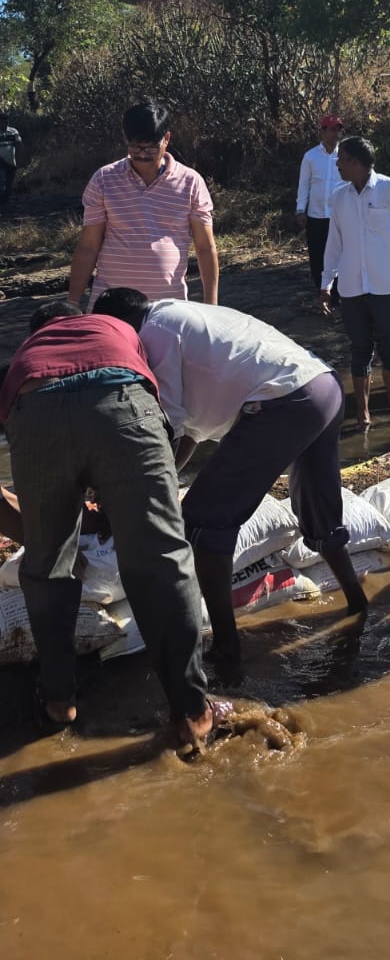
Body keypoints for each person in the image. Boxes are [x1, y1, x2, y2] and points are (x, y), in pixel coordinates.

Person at [93, 289, 367, 686]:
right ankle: (358, 604)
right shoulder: (180, 317)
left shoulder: (153, 332)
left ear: (119, 327)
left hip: (281, 401)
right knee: (319, 511)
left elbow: (167, 426)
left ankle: (226, 648)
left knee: (203, 523)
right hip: (321, 388)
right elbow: (188, 432)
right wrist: (159, 479)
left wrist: (128, 495)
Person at [0, 308, 225, 744]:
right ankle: (192, 712)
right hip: (123, 398)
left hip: (37, 411)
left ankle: (58, 702)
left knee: (46, 571)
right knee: (163, 562)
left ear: (36, 333)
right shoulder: (116, 330)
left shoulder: (25, 360)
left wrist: (49, 543)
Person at [68, 99, 219, 310]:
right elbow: (88, 246)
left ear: (166, 138)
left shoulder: (191, 182)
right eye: (135, 147)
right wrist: (72, 303)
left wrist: (212, 306)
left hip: (169, 307)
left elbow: (205, 248)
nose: (141, 154)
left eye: (150, 148)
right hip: (112, 305)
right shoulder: (103, 179)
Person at [320, 135, 390, 429]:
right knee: (359, 350)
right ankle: (362, 417)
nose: (337, 165)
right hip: (352, 287)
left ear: (356, 162)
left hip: (386, 284)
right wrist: (326, 284)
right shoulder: (339, 197)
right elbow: (334, 243)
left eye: (341, 160)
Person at [296, 115, 344, 292]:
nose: (336, 134)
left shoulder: (345, 156)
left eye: (338, 130)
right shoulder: (311, 157)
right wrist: (300, 210)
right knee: (317, 257)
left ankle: (338, 295)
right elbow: (304, 185)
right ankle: (322, 293)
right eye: (332, 129)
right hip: (316, 216)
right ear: (322, 132)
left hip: (339, 216)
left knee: (339, 256)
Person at [0, 111, 22, 207]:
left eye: (6, 119)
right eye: (2, 120)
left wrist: (20, 159)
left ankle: (6, 203)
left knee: (9, 184)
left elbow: (19, 144)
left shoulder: (13, 131)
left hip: (11, 162)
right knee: (1, 182)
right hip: (1, 162)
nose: (5, 122)